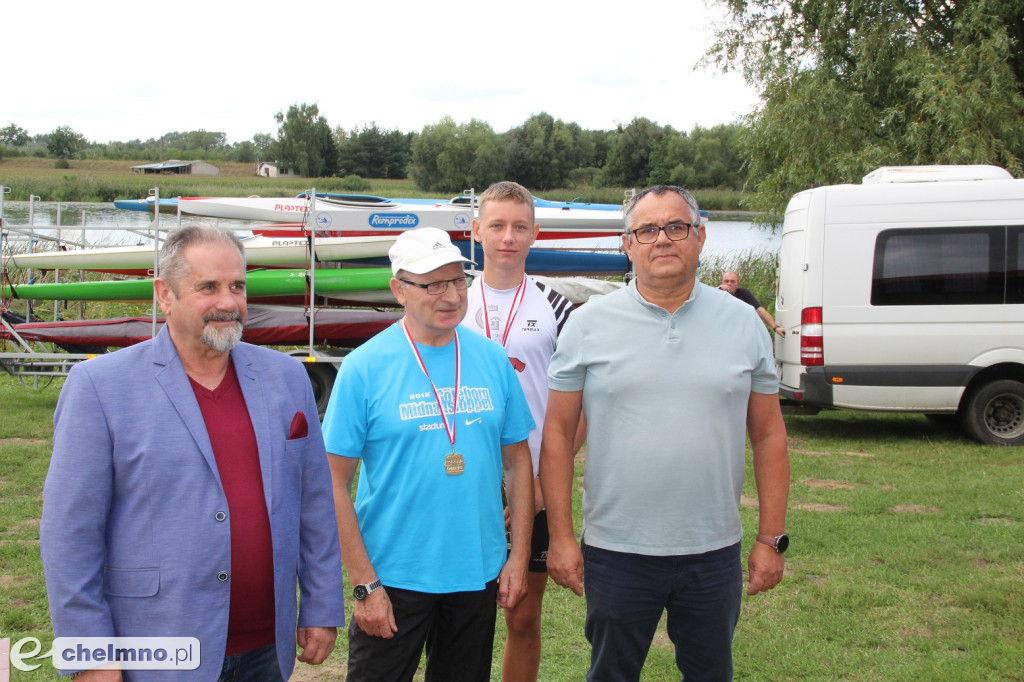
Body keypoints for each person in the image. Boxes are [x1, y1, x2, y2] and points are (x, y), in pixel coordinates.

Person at [39, 224, 346, 681]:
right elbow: (70, 536)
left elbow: (315, 505)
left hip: (266, 647)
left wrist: (320, 604)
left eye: (237, 286)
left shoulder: (287, 378)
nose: (228, 302)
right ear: (165, 295)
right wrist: (89, 656)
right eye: (208, 287)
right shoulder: (100, 387)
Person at [540, 185, 790, 681]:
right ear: (627, 244)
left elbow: (768, 437)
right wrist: (562, 537)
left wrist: (770, 538)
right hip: (616, 550)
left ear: (700, 237)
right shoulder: (587, 324)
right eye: (647, 230)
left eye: (676, 227)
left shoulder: (744, 325)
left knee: (710, 673)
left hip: (713, 550)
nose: (663, 240)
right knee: (611, 672)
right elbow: (558, 436)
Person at [322, 226, 536, 682]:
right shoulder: (365, 366)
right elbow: (332, 481)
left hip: (477, 571)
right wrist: (364, 583)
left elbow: (518, 461)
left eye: (457, 281)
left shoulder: (492, 359)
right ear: (399, 289)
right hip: (394, 574)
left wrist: (517, 557)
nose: (451, 295)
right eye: (433, 284)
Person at [464, 181, 576, 681]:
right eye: (497, 225)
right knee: (460, 619)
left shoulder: (560, 308)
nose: (508, 237)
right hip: (461, 480)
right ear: (476, 231)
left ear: (536, 233)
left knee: (523, 617)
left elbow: (579, 410)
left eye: (520, 227)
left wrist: (542, 484)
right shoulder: (451, 304)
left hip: (533, 483)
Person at [719, 270, 786, 336]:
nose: (729, 284)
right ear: (721, 283)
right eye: (726, 281)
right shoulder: (716, 294)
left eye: (733, 282)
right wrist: (719, 289)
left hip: (738, 332)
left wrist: (775, 327)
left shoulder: (743, 293)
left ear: (738, 284)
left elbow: (760, 310)